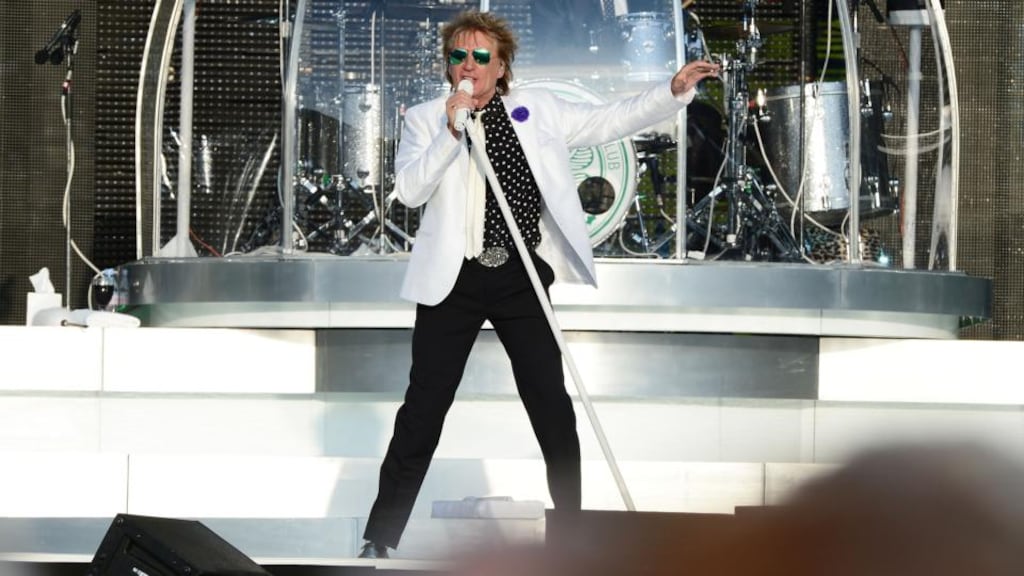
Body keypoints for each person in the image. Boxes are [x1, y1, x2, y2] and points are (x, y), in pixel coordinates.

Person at [358, 10, 720, 559]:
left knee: (550, 403)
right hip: (454, 279)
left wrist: (670, 93)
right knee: (423, 409)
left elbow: (608, 121)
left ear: (501, 66)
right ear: (448, 64)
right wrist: (451, 132)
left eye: (481, 56)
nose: (469, 65)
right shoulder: (429, 119)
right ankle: (380, 537)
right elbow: (409, 191)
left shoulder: (538, 110)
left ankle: (570, 536)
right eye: (459, 55)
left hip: (519, 275)